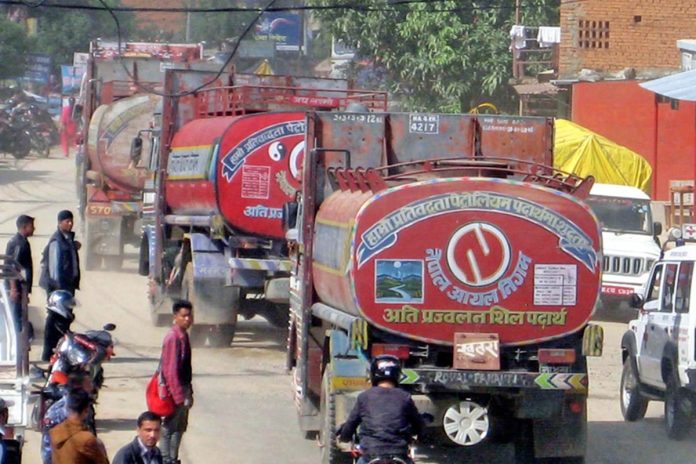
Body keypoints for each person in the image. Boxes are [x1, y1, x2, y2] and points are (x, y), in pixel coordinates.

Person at [338, 355, 424, 464]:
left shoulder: (364, 397)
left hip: (370, 455)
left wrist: (344, 436)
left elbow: (351, 424)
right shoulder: (405, 397)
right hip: (399, 454)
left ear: (373, 373)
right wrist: (420, 435)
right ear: (397, 374)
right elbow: (419, 425)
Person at [159, 300, 194, 464]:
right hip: (175, 391)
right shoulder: (173, 337)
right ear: (175, 317)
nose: (188, 319)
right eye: (184, 316)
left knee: (180, 427)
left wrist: (189, 391)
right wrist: (178, 396)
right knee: (169, 428)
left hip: (183, 389)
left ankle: (173, 458)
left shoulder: (183, 335)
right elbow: (170, 370)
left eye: (190, 316)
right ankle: (166, 459)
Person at [42, 372, 94, 464]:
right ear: (78, 387)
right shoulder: (58, 411)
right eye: (88, 384)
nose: (91, 387)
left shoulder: (84, 405)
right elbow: (48, 448)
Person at [49, 389, 108, 464]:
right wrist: (101, 449)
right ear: (86, 410)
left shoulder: (55, 431)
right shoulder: (86, 439)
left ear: (67, 408)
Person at [39, 210, 81, 297]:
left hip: (67, 284)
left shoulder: (67, 239)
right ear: (59, 223)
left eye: (71, 221)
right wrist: (57, 288)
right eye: (67, 221)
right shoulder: (56, 241)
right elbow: (54, 269)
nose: (70, 224)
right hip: (58, 287)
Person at [4, 214, 35, 332]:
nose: (34, 228)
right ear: (24, 227)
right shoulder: (18, 243)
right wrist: (14, 289)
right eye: (31, 226)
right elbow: (12, 267)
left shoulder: (23, 242)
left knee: (20, 317)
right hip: (16, 289)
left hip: (21, 288)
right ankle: (15, 340)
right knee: (15, 318)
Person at [41, 290, 76, 362]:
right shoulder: (54, 318)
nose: (69, 307)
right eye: (67, 304)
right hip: (52, 355)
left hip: (59, 351)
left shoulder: (59, 316)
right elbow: (64, 333)